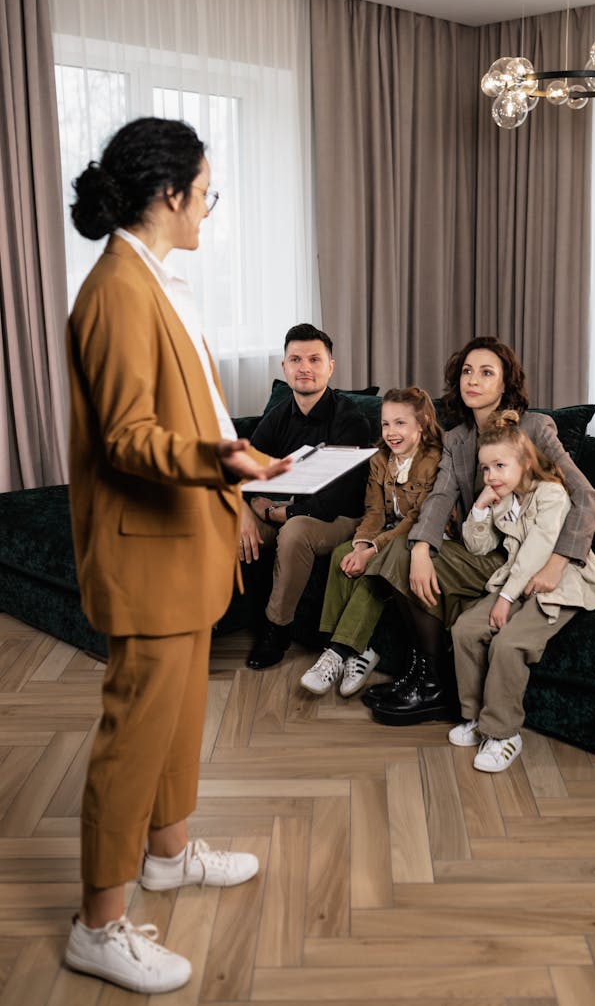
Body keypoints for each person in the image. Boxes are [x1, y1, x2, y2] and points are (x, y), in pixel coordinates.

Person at [63, 117, 289, 994]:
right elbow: (127, 437)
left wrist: (235, 456)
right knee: (135, 735)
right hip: (146, 556)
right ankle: (98, 924)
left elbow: (185, 412)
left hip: (183, 547)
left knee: (180, 716)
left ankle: (165, 855)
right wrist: (218, 459)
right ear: (170, 193)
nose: (208, 208)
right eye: (207, 193)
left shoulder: (156, 279)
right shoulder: (118, 287)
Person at [366, 335, 595, 726]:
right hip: (484, 548)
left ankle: (432, 683)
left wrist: (559, 562)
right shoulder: (457, 439)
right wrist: (422, 548)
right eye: (467, 371)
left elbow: (587, 498)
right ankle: (430, 678)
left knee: (406, 554)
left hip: (533, 553)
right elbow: (439, 497)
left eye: (486, 372)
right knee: (404, 552)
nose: (472, 380)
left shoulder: (536, 428)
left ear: (506, 384)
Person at [448, 410, 595, 771]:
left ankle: (503, 733)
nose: (491, 476)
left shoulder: (552, 495)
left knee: (510, 642)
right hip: (516, 579)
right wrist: (480, 511)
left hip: (558, 583)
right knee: (465, 629)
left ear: (526, 462)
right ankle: (475, 718)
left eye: (499, 466)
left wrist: (505, 599)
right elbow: (478, 548)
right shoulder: (502, 499)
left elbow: (537, 552)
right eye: (485, 469)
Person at [239, 323, 372, 669]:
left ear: (331, 366)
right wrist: (244, 511)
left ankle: (277, 630)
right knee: (225, 521)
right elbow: (246, 472)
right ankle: (202, 621)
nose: (305, 367)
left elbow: (335, 500)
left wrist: (273, 514)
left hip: (339, 517)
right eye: (295, 359)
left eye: (315, 359)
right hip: (281, 508)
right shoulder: (278, 416)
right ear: (283, 367)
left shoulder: (350, 419)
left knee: (295, 533)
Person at [300, 388, 443, 697]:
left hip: (421, 536)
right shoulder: (379, 459)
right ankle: (356, 651)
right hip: (387, 533)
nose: (391, 432)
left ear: (422, 424)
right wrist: (362, 543)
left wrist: (373, 551)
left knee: (373, 567)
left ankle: (337, 651)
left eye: (401, 423)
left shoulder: (434, 461)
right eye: (385, 424)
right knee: (343, 554)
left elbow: (416, 519)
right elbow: (375, 510)